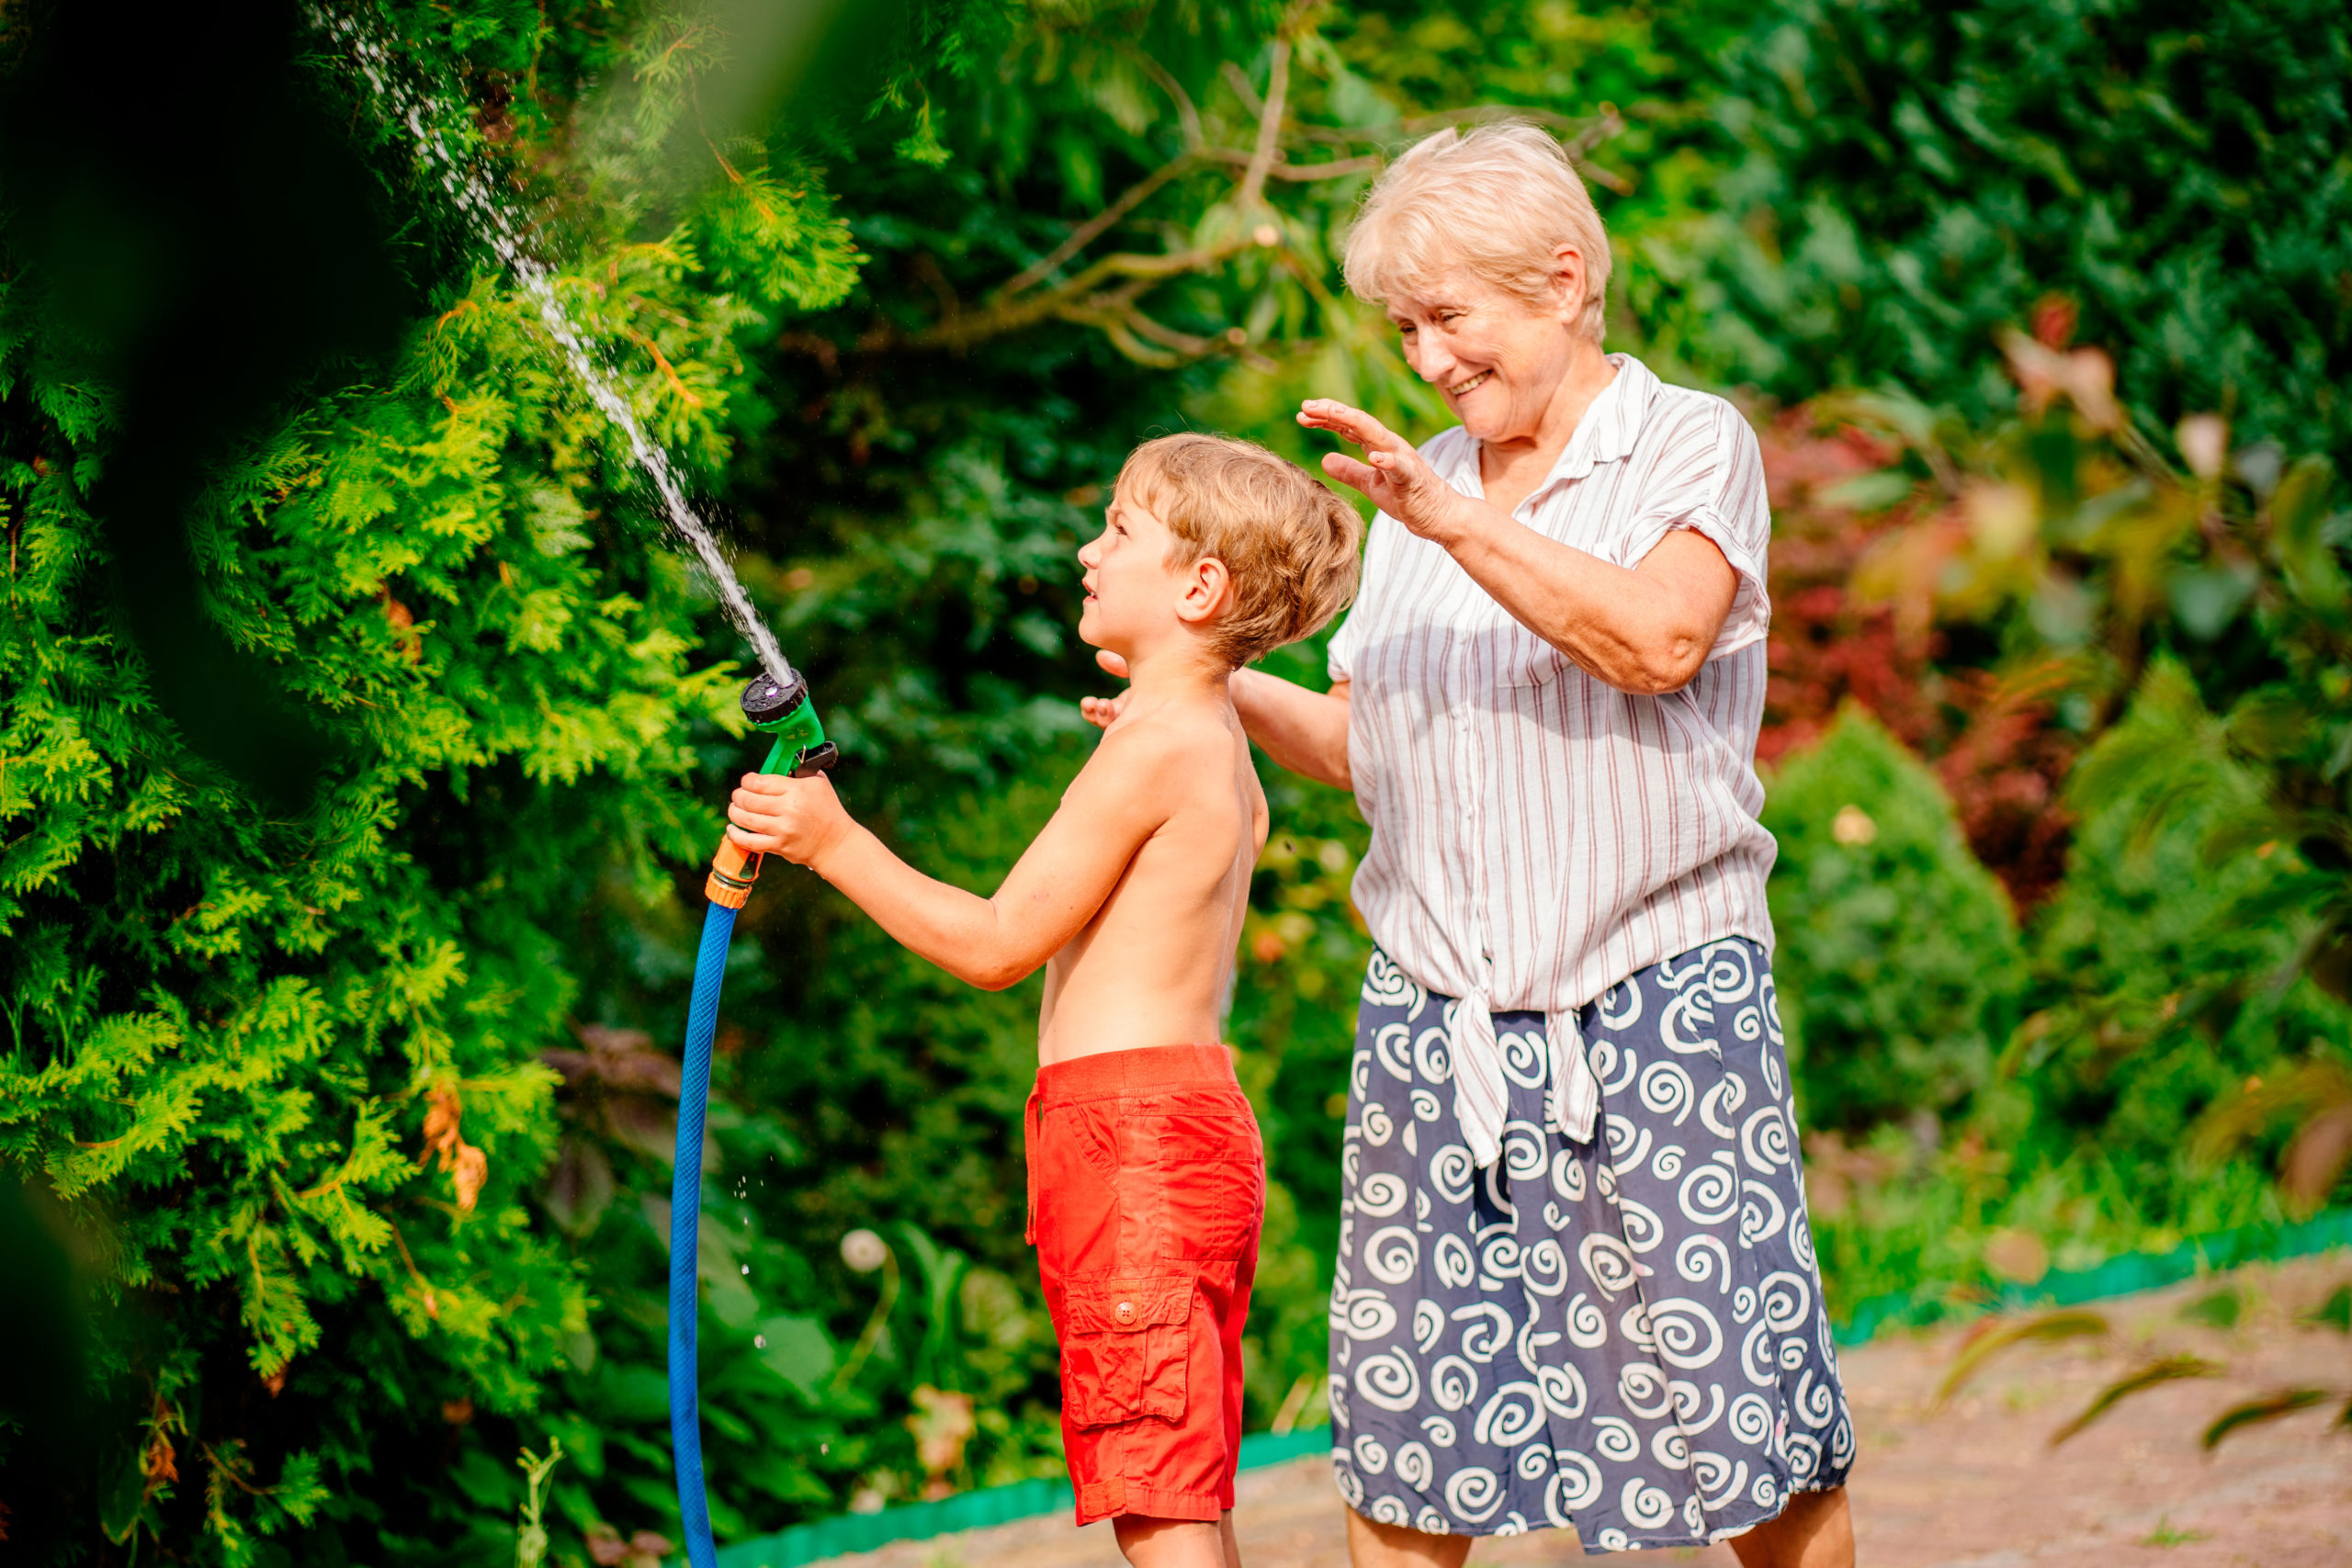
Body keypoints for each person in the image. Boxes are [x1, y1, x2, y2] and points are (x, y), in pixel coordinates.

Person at [1087, 122, 1856, 1566]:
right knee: (1411, 1441)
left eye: (1450, 318)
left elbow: (1657, 638)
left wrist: (1445, 519)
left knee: (1743, 1427)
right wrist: (1202, 678)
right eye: (1405, 326)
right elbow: (1375, 753)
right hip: (1437, 1020)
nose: (1428, 358)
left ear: (1561, 280)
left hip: (1660, 1003)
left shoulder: (1685, 441)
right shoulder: (1419, 495)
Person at [727, 433, 1362, 1568]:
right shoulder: (1207, 737)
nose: (1087, 549)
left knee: (1157, 1501)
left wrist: (834, 843)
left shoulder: (1161, 742)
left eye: (1119, 530)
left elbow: (995, 944)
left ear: (1197, 585)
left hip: (1130, 1145)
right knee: (1180, 1478)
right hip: (1180, 1129)